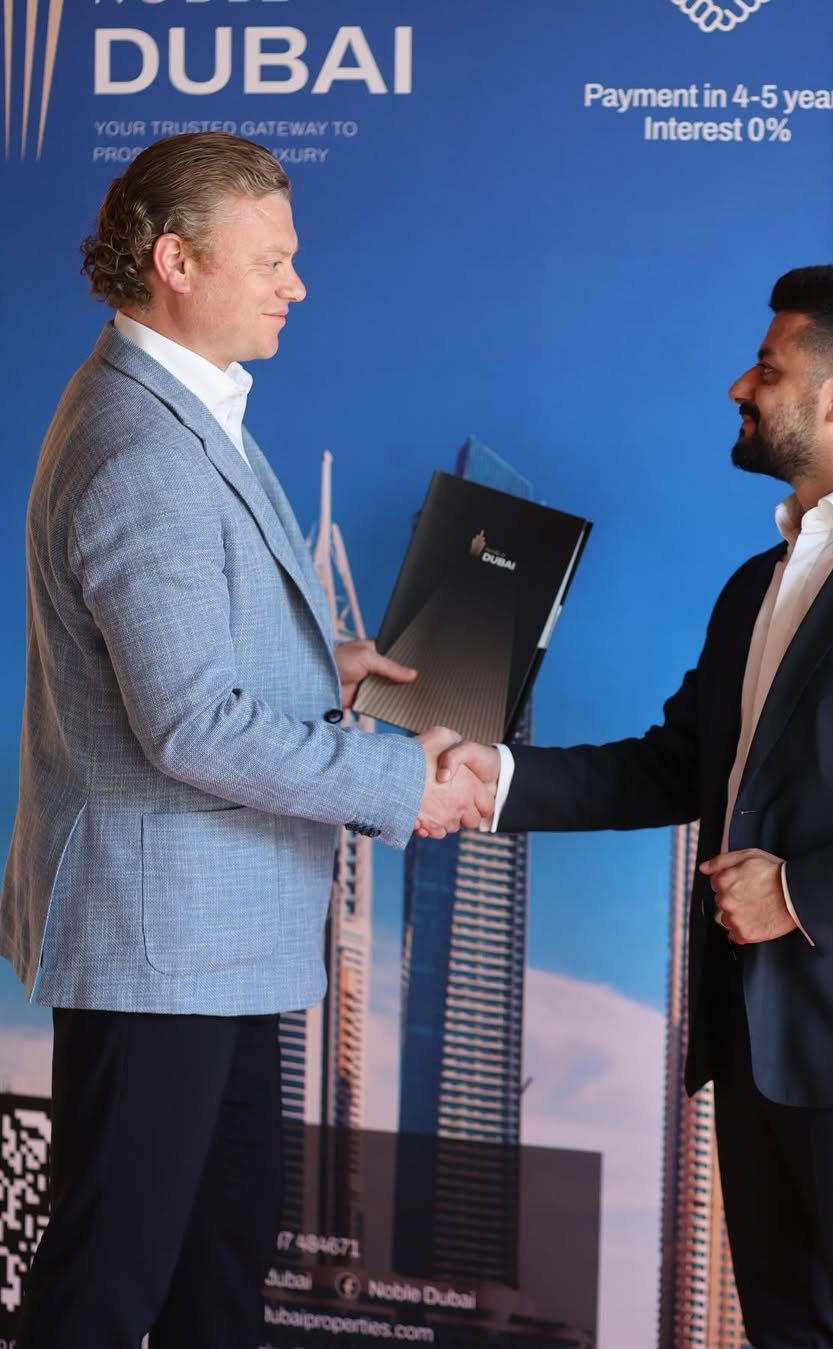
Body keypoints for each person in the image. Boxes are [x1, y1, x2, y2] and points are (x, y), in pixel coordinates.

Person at [438, 266, 833, 1348]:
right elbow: (677, 766)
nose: (739, 386)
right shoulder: (752, 586)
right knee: (780, 1331)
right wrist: (496, 777)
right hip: (750, 1034)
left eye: (768, 367)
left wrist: (797, 891)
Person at [0, 132, 491, 1347]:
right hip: (163, 941)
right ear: (178, 261)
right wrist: (400, 781)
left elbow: (177, 659)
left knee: (214, 1272)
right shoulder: (141, 445)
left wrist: (319, 665)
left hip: (211, 940)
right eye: (272, 260)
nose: (297, 285)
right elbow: (189, 721)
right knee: (108, 1287)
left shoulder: (177, 404)